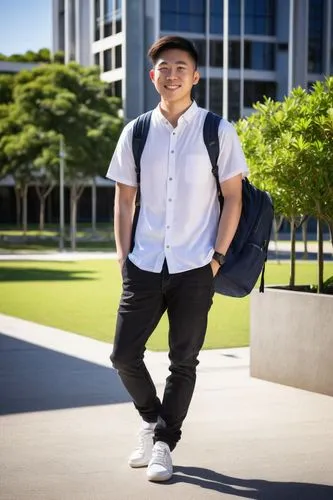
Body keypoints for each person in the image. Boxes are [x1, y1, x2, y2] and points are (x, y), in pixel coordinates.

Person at [106, 35, 249, 483]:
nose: (172, 75)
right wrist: (123, 256)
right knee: (123, 355)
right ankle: (151, 420)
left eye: (181, 68)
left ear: (195, 76)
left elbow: (233, 199)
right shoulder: (137, 131)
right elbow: (124, 200)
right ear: (153, 76)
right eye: (164, 68)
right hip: (145, 264)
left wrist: (218, 258)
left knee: (182, 361)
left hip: (195, 267)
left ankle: (165, 443)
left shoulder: (217, 130)